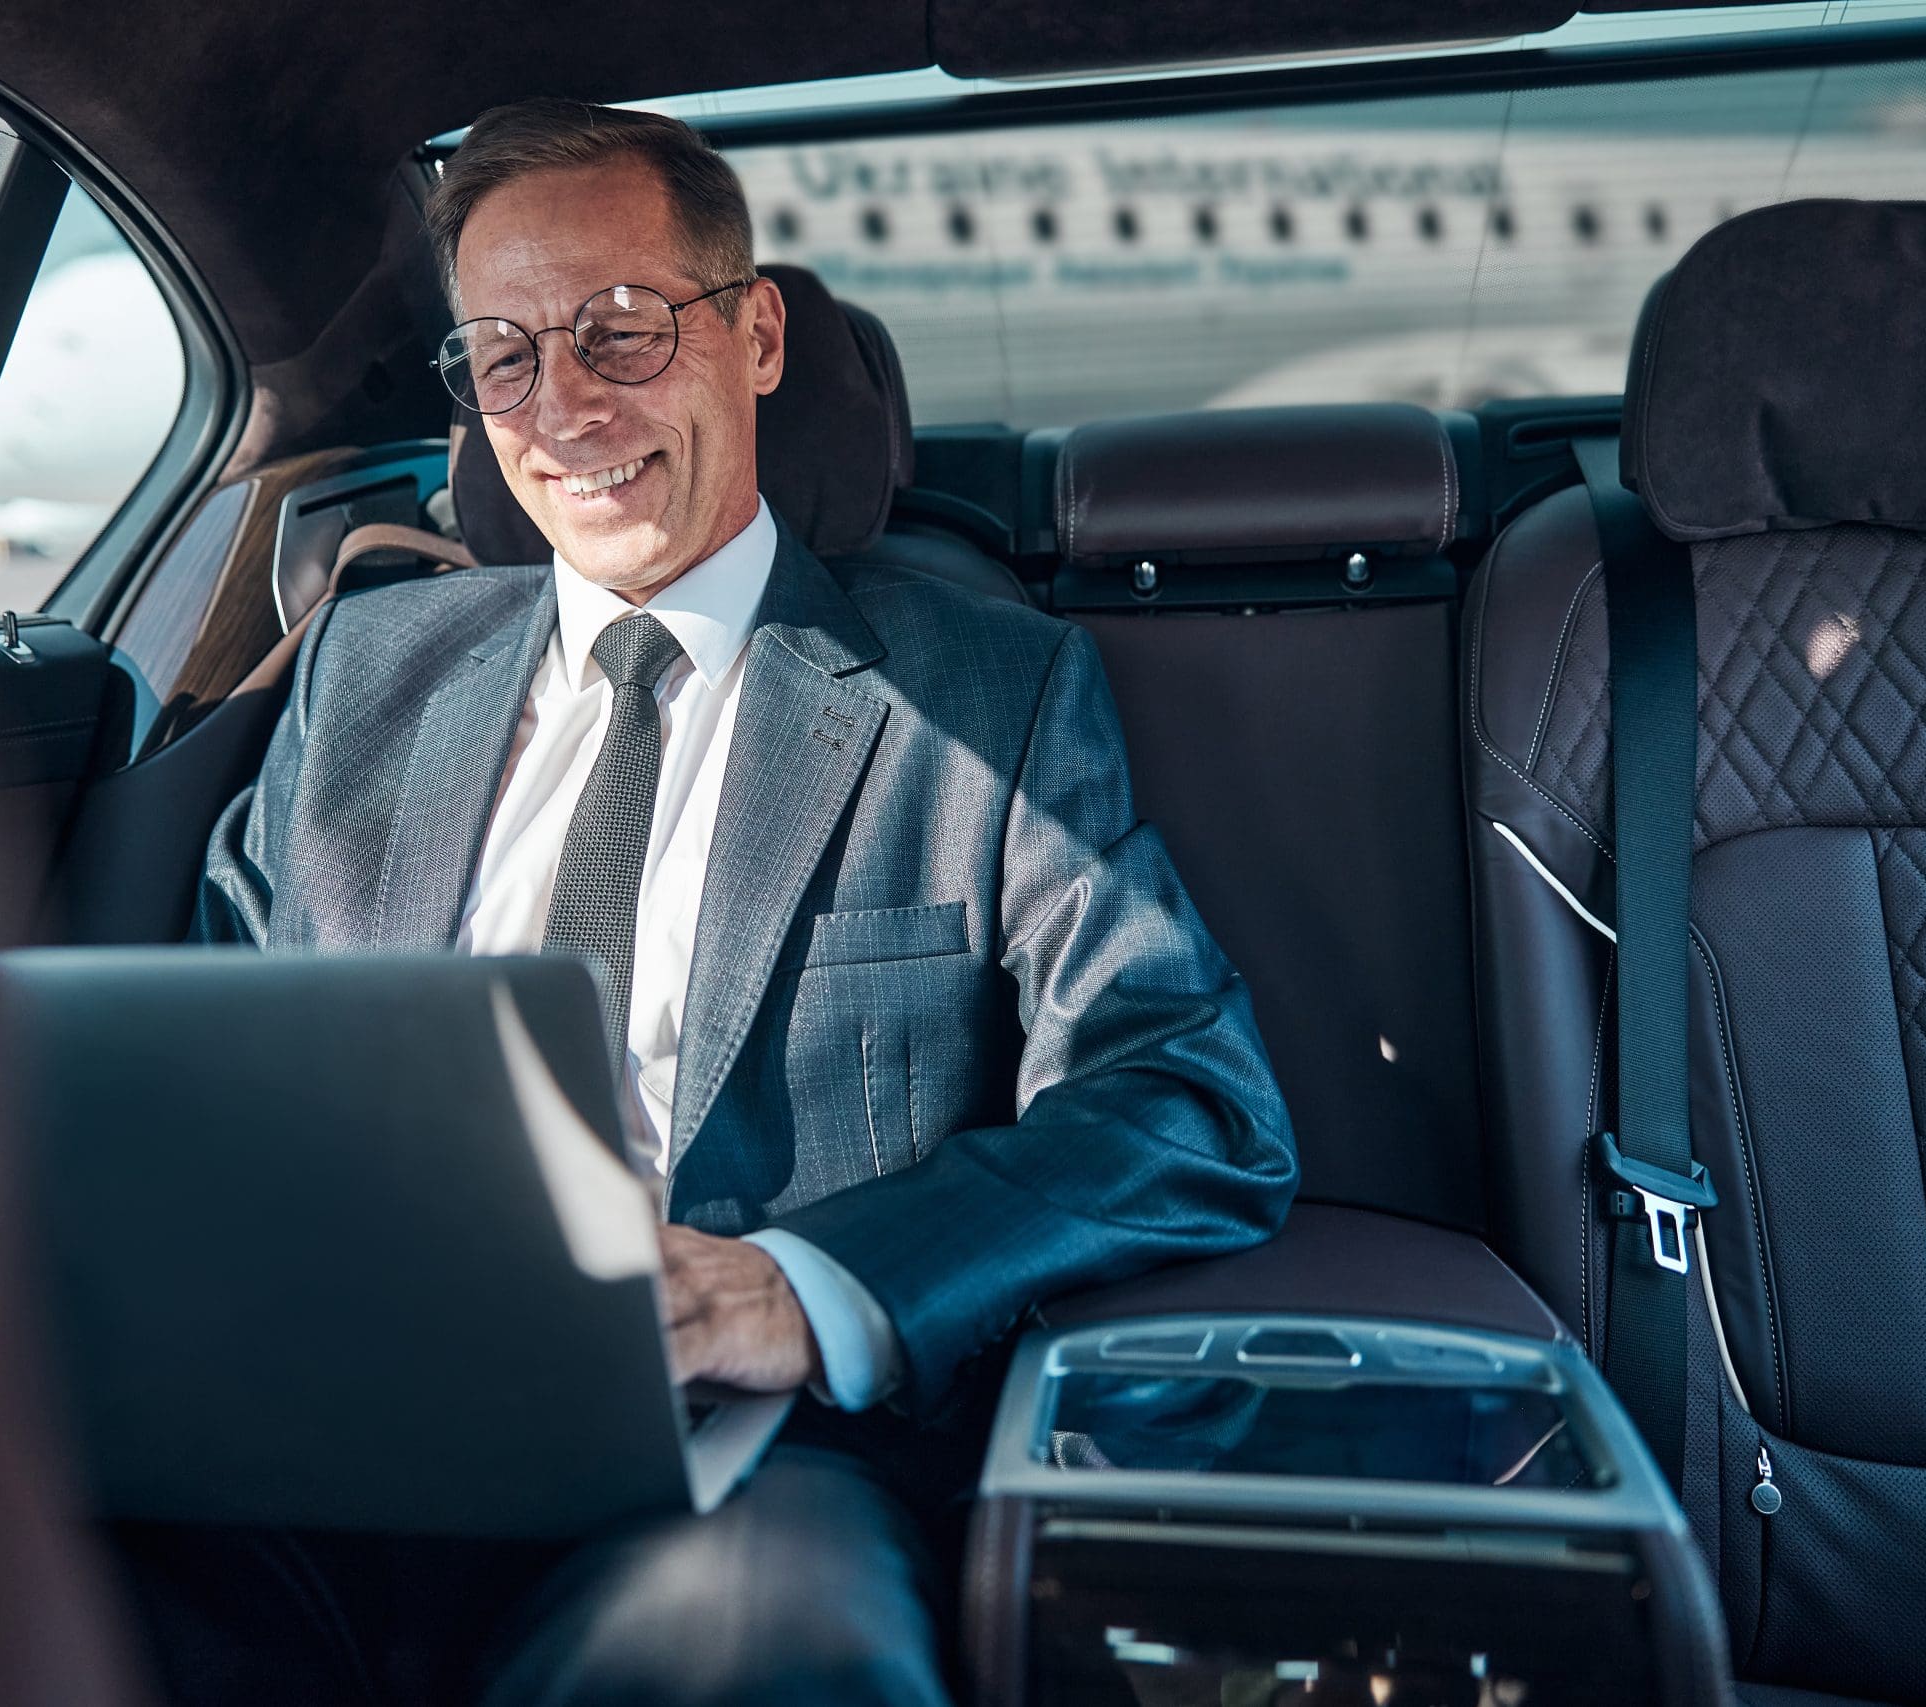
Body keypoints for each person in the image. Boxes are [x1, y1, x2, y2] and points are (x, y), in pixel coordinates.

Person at [169, 97, 1298, 1706]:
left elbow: (1191, 1100)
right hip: (342, 1419)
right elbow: (209, 1053)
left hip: (745, 1457)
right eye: (504, 356)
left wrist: (800, 1289)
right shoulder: (365, 674)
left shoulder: (987, 697)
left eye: (620, 330)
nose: (559, 409)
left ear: (757, 336)